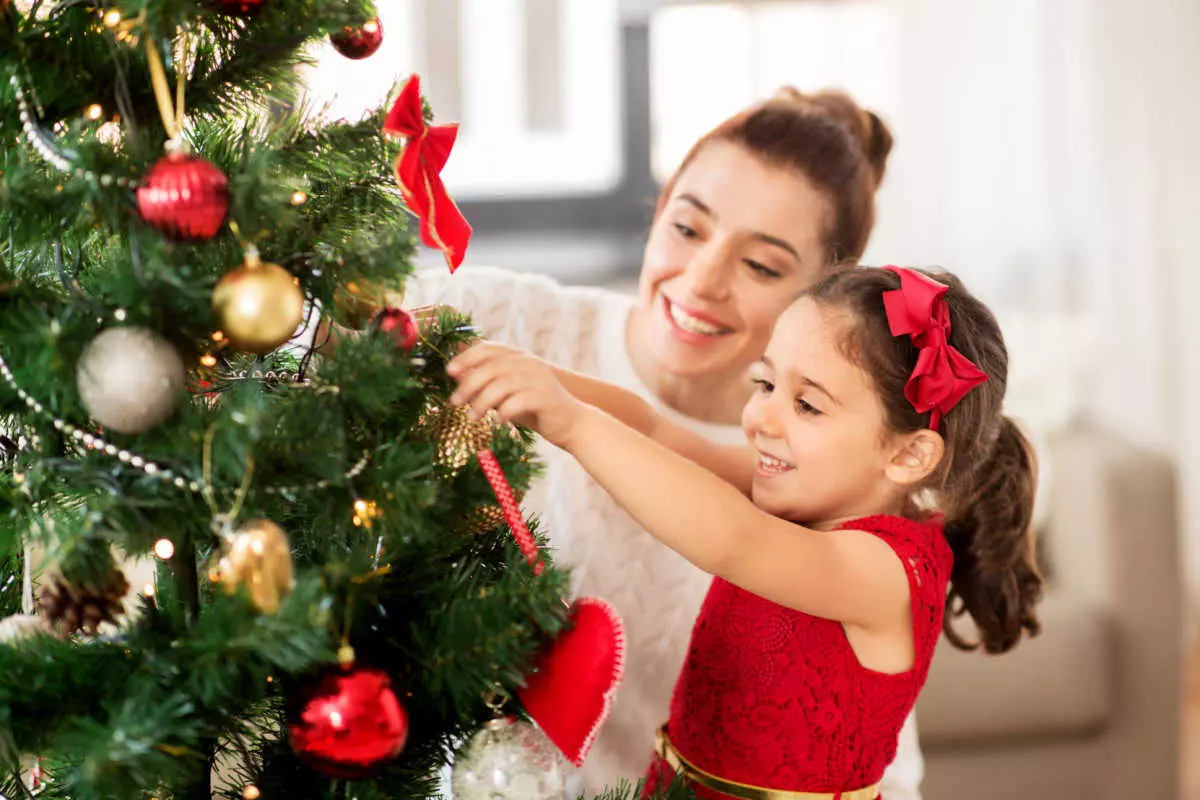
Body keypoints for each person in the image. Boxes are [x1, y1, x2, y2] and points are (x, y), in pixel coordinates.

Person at [350, 87, 921, 795]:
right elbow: (289, 332)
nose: (703, 280)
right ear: (657, 214)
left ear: (824, 295)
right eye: (688, 228)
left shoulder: (817, 475)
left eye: (762, 266)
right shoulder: (491, 318)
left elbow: (867, 744)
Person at [445, 264, 1044, 799]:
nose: (761, 417)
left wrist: (570, 423)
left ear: (909, 456)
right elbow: (654, 430)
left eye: (807, 405)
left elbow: (731, 539)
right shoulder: (806, 490)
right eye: (765, 383)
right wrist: (530, 377)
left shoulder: (881, 570)